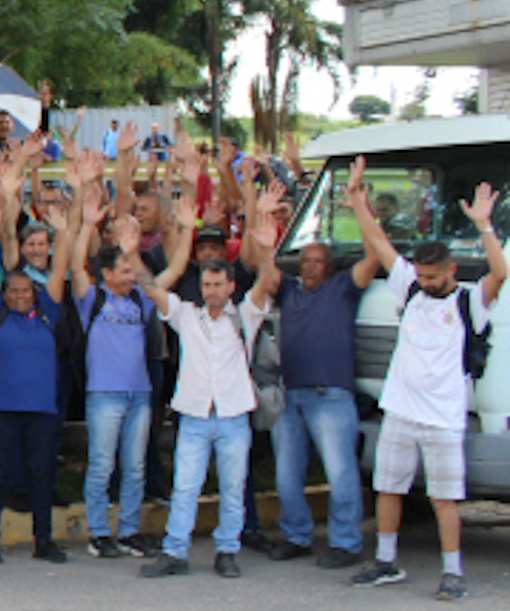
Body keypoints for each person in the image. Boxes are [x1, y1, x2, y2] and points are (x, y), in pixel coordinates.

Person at [348, 181, 505, 602]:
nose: (425, 281)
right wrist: (359, 204)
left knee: (445, 499)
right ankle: (385, 560)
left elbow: (500, 273)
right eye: (421, 275)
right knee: (389, 487)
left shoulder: (470, 303)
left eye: (432, 276)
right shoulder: (411, 289)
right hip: (400, 411)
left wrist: (484, 225)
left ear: (451, 270)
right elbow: (380, 243)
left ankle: (452, 572)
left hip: (443, 418)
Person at [137, 189, 282, 580]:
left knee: (233, 488)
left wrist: (267, 251)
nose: (213, 291)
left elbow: (268, 283)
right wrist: (180, 231)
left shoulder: (246, 315)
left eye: (219, 284)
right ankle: (175, 551)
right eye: (208, 285)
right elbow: (151, 288)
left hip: (234, 415)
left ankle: (227, 550)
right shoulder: (187, 316)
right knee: (185, 487)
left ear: (231, 287)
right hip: (195, 416)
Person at [266, 155, 382, 568]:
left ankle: (346, 543)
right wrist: (263, 223)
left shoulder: (343, 289)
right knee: (286, 477)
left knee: (340, 473)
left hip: (330, 396)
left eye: (318, 262)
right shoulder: (290, 292)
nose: (310, 266)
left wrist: (359, 205)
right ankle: (296, 536)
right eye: (306, 261)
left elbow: (375, 256)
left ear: (330, 268)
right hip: (292, 395)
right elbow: (264, 270)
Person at [70, 184, 171, 559]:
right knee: (101, 466)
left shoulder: (140, 300)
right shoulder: (93, 298)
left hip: (139, 395)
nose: (130, 277)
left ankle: (129, 530)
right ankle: (99, 532)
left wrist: (132, 251)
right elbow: (76, 266)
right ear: (107, 273)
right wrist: (87, 225)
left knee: (135, 468)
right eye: (124, 271)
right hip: (104, 396)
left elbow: (152, 282)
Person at [0, 199, 72, 564]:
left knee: (41, 475)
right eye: (12, 291)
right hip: (1, 409)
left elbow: (59, 270)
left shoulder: (48, 313)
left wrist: (62, 232)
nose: (18, 296)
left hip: (42, 410)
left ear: (34, 293)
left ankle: (43, 540)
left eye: (24, 291)